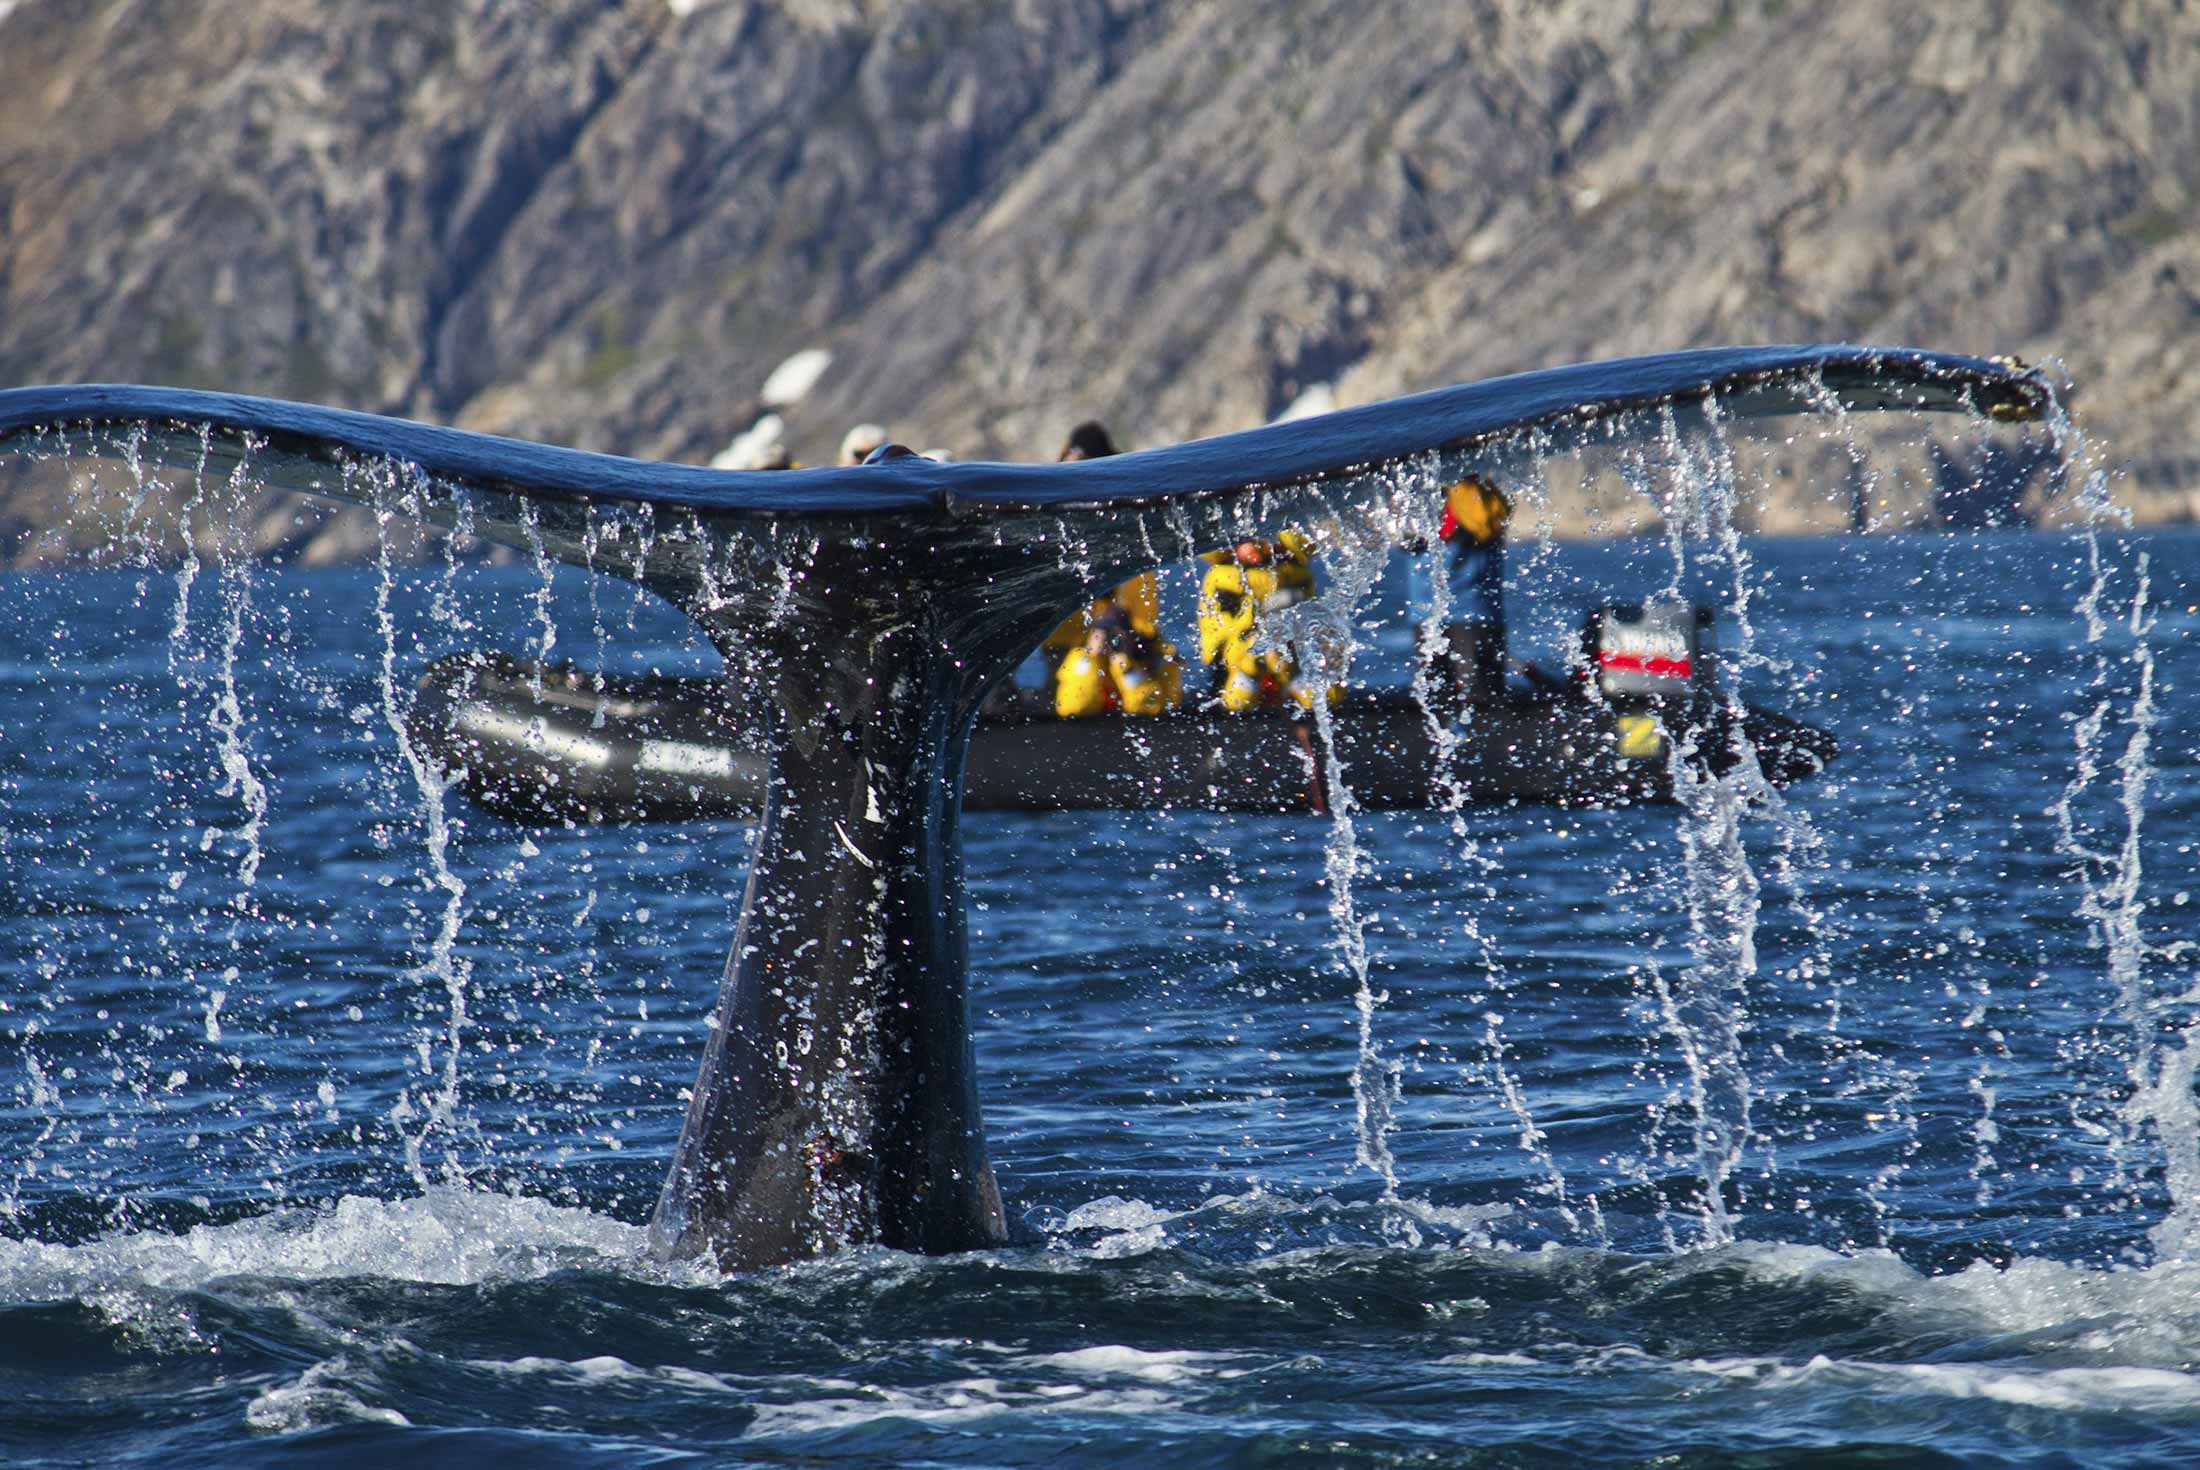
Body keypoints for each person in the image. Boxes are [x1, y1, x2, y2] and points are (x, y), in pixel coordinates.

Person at [1043, 421, 1184, 717]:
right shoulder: (1058, 523)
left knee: (1127, 677)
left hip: (1121, 640)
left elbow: (1143, 612)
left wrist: (1127, 636)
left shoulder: (1125, 525)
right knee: (1072, 689)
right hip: (1074, 646)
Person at [1196, 532, 1341, 712]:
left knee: (1295, 665)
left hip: (1291, 655)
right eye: (1245, 541)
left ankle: (1300, 692)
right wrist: (1251, 643)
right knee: (1239, 692)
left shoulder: (1293, 571)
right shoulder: (1223, 576)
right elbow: (1217, 631)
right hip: (1239, 659)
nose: (1255, 546)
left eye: (1263, 539)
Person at [1417, 474, 1512, 704]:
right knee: (1458, 699)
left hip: (1462, 613)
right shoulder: (1482, 494)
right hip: (1452, 613)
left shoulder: (1470, 495)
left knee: (1446, 700)